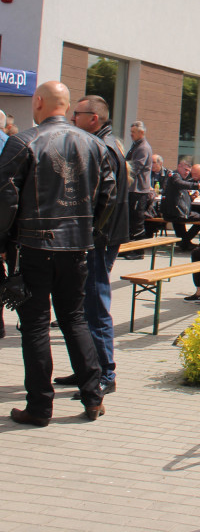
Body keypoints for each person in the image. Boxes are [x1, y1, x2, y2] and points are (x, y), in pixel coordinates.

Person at [0, 81, 115, 425]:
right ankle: (93, 398)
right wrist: (89, 232)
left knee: (35, 326)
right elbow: (108, 195)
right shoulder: (95, 145)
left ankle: (39, 407)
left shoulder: (24, 141)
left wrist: (5, 243)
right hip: (76, 246)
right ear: (65, 106)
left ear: (38, 102)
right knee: (74, 319)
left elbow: (6, 198)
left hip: (34, 245)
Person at [65, 95, 129, 398]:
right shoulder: (110, 142)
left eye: (75, 113)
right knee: (86, 304)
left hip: (98, 240)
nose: (71, 118)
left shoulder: (102, 146)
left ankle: (104, 373)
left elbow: (105, 198)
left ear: (93, 118)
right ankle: (88, 368)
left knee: (94, 304)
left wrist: (90, 234)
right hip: (104, 237)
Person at [161, 158, 200, 250]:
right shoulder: (174, 175)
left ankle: (184, 242)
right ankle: (185, 241)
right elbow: (179, 183)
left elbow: (180, 196)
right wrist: (197, 186)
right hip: (175, 211)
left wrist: (192, 197)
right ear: (179, 166)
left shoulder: (181, 178)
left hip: (177, 211)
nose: (187, 173)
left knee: (181, 220)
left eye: (189, 171)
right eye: (185, 170)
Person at [124, 120, 152, 243]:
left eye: (133, 132)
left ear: (141, 132)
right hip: (133, 188)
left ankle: (137, 251)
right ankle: (130, 247)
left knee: (136, 221)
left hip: (138, 189)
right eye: (131, 132)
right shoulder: (136, 145)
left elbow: (135, 167)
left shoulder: (143, 147)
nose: (131, 134)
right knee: (131, 220)